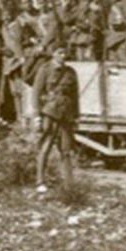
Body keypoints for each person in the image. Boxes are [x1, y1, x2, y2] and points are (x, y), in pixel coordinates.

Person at [33, 45, 79, 190]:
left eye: (65, 52)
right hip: (50, 112)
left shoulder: (71, 72)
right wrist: (37, 116)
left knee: (66, 149)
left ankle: (69, 184)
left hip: (66, 113)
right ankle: (40, 181)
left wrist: (76, 116)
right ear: (53, 54)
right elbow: (36, 93)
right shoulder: (45, 69)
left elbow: (75, 96)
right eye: (59, 52)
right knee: (46, 146)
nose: (63, 55)